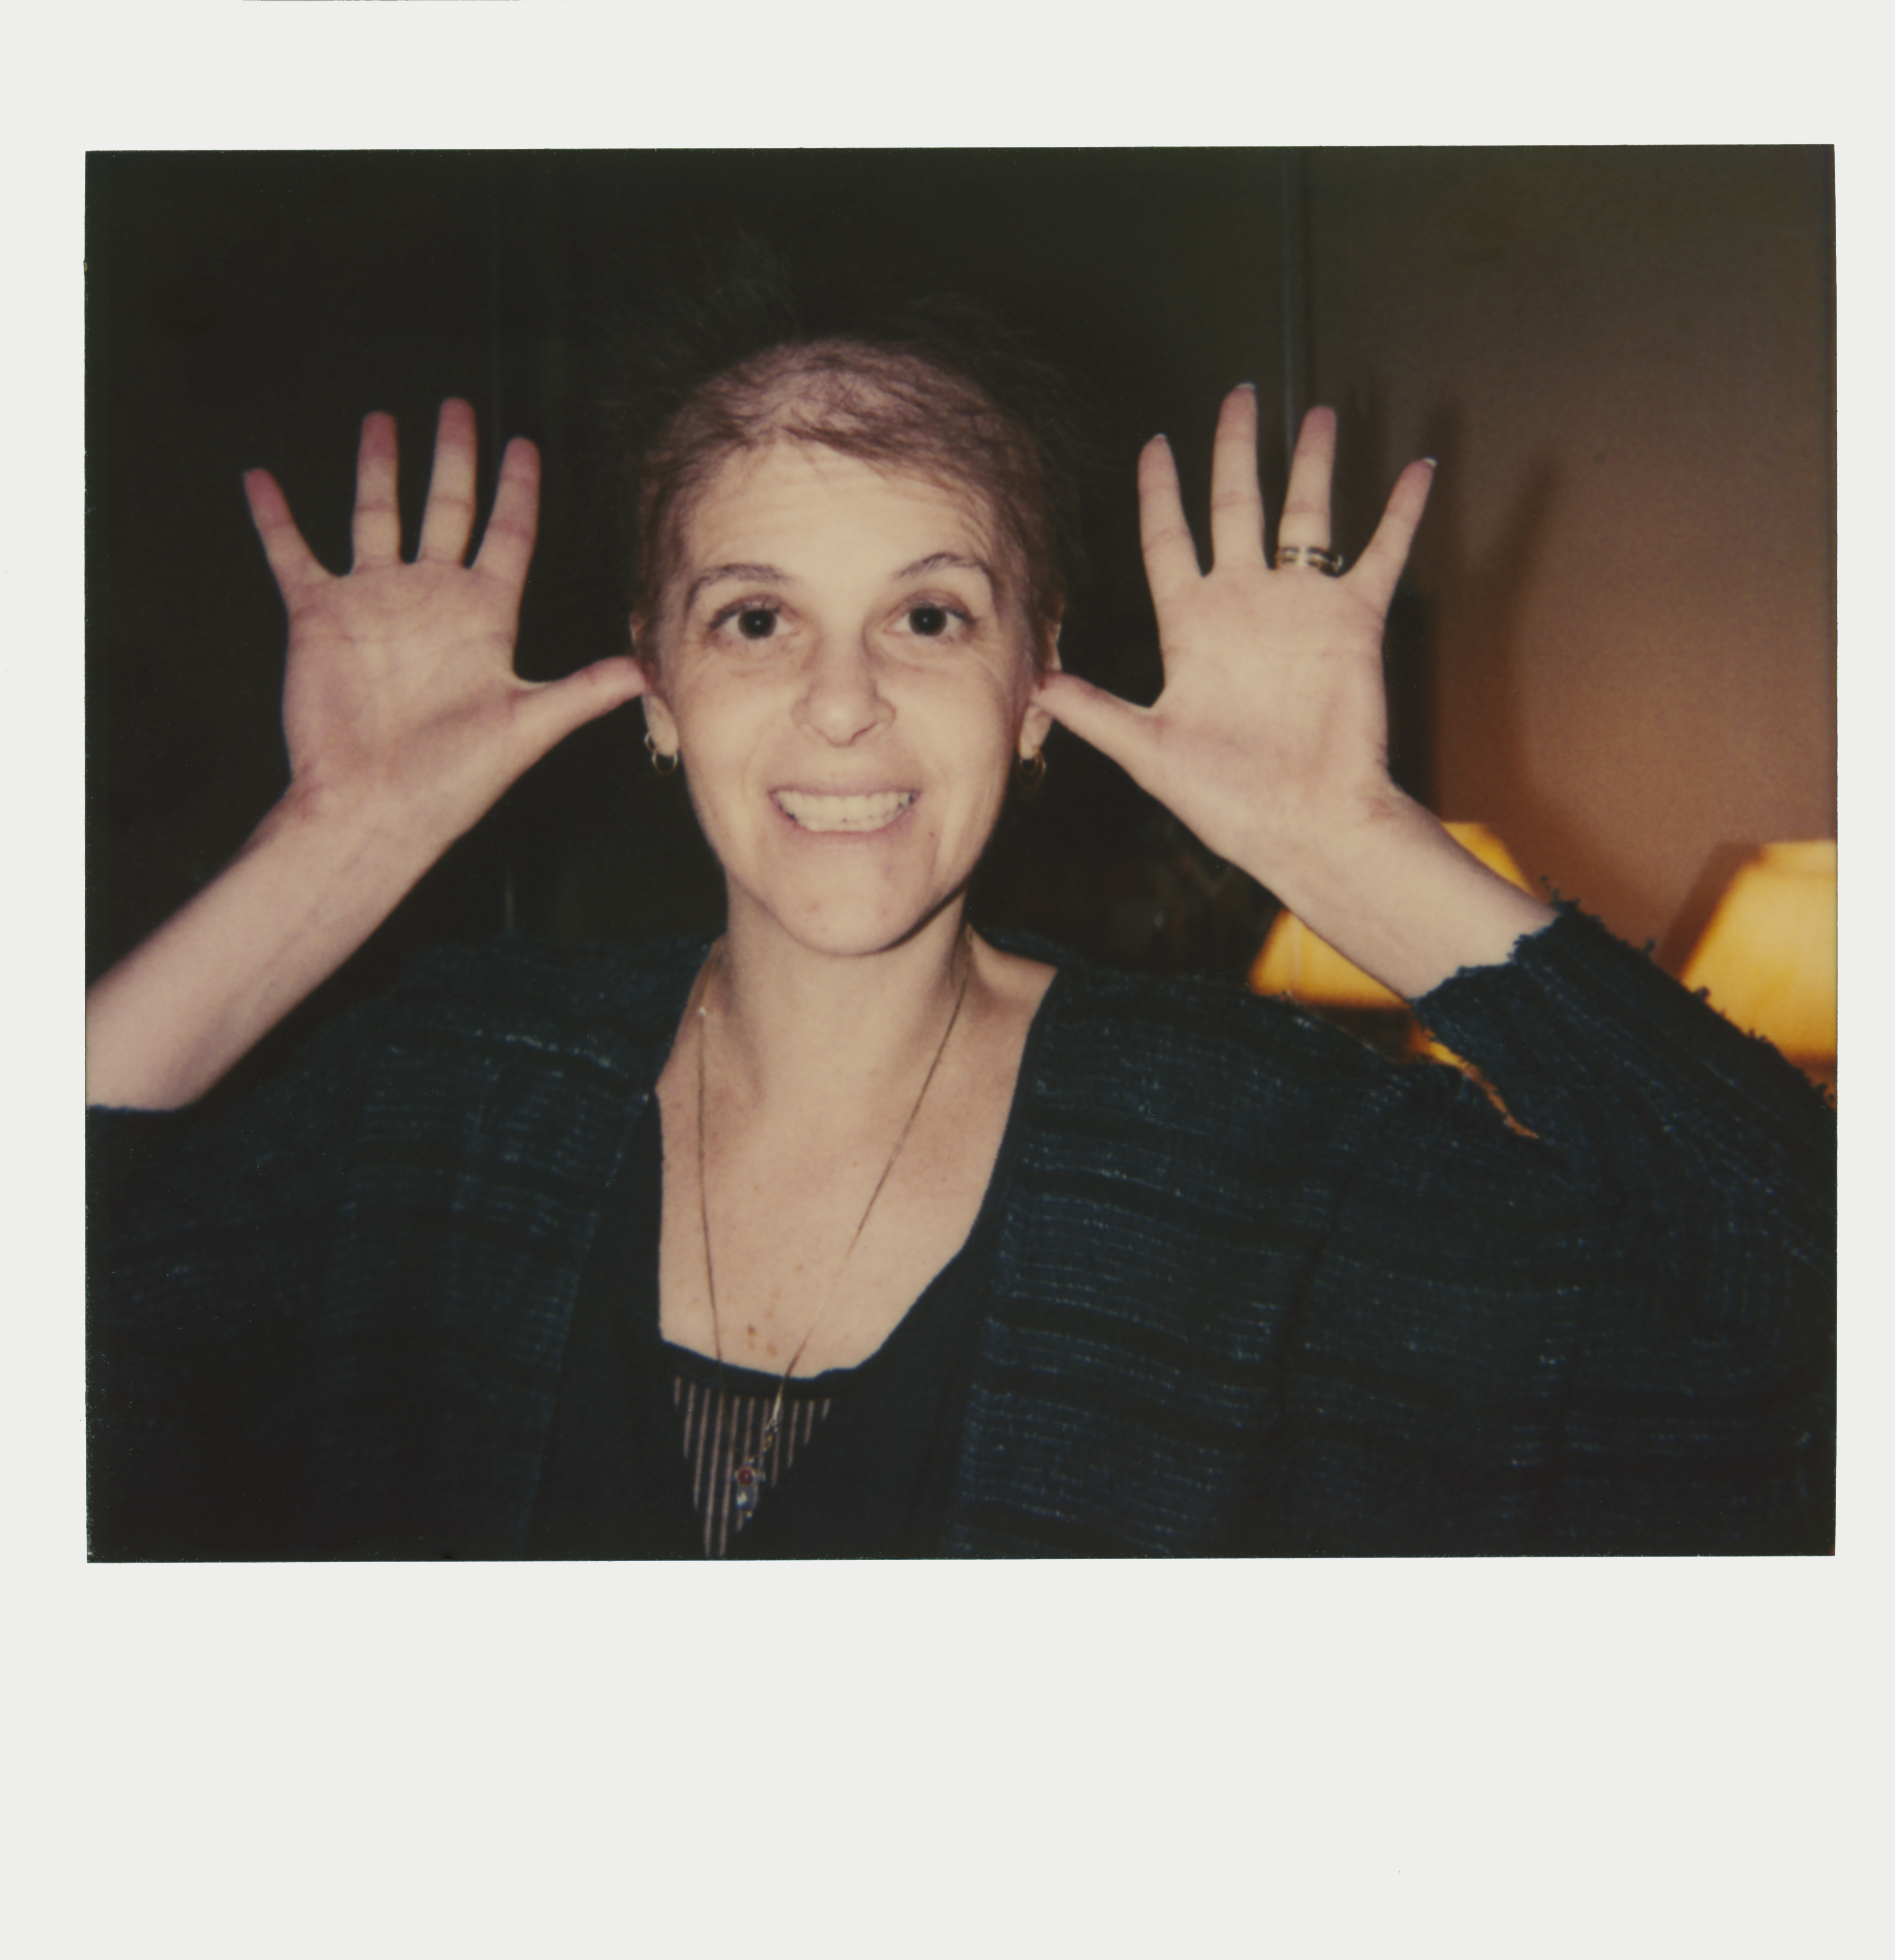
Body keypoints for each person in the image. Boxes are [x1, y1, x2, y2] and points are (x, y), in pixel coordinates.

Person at [85, 322, 1835, 1559]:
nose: (844, 701)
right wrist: (334, 841)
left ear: (1034, 682)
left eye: (929, 615)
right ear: (658, 684)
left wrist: (1346, 843)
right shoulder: (450, 1098)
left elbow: (1814, 1319)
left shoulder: (1266, 1155)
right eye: (754, 618)